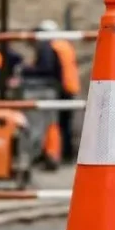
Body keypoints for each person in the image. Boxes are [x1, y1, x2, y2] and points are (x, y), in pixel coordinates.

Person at [25, 20, 82, 163]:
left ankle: (58, 155)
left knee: (58, 124)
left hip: (61, 88)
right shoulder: (62, 44)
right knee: (64, 124)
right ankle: (66, 155)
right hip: (69, 86)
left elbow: (47, 69)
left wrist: (27, 70)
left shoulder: (51, 46)